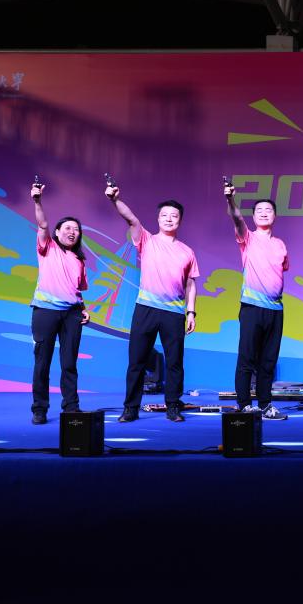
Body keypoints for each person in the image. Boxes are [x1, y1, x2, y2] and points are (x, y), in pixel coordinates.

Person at [106, 181, 199, 423]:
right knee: (136, 361)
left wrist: (191, 312)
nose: (169, 219)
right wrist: (115, 200)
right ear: (158, 219)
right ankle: (131, 408)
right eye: (164, 215)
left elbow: (190, 284)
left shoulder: (187, 251)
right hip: (146, 308)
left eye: (174, 216)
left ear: (180, 221)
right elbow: (131, 219)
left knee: (175, 362)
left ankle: (173, 406)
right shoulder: (146, 240)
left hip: (174, 313)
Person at [225, 182, 289, 420]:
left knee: (268, 361)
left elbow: (282, 270)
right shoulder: (248, 238)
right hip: (252, 307)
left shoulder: (280, 244)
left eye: (268, 210)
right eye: (259, 210)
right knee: (247, 358)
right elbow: (236, 218)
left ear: (275, 216)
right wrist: (230, 199)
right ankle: (244, 404)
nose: (264, 213)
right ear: (253, 217)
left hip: (275, 309)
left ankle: (265, 404)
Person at [29, 180, 89, 424]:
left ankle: (71, 406)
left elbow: (76, 290)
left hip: (72, 314)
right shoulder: (48, 247)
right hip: (45, 312)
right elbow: (42, 223)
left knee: (69, 363)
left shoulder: (79, 261)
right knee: (42, 363)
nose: (72, 232)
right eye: (67, 228)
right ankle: (39, 409)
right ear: (56, 232)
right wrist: (37, 201)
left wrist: (83, 309)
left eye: (76, 229)